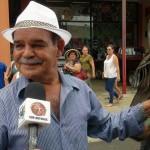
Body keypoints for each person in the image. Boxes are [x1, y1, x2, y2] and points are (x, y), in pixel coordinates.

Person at [1, 1, 150, 150]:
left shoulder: (80, 90)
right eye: (19, 45)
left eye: (37, 44)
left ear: (59, 48)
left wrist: (143, 109)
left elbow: (107, 125)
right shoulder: (3, 102)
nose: (26, 53)